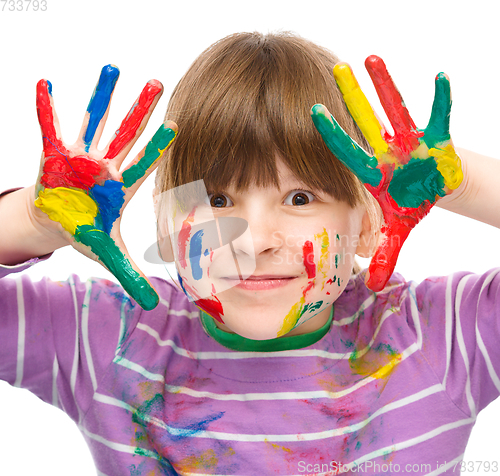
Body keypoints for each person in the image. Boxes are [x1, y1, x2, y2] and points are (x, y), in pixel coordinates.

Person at [1, 31, 499, 475]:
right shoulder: (109, 338)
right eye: (217, 200)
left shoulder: (437, 338)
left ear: (368, 222)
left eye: (299, 199)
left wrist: (461, 184)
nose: (256, 241)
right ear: (166, 224)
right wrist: (32, 219)